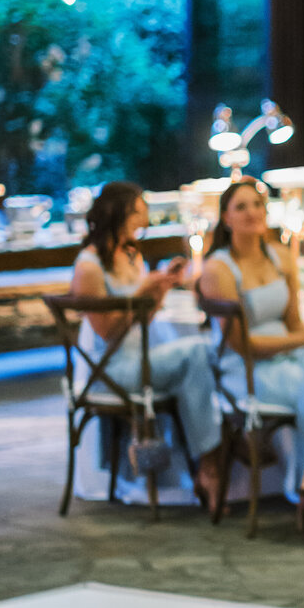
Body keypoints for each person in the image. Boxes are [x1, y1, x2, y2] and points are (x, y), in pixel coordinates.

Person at [200, 179, 304, 536]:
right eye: (242, 207)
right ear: (226, 218)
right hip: (245, 370)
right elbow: (241, 345)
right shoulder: (217, 269)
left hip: (288, 354)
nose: (252, 213)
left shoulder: (280, 256)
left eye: (258, 205)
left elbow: (294, 323)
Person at [71, 181, 223, 512]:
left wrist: (161, 288)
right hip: (110, 370)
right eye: (140, 210)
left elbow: (144, 320)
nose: (145, 218)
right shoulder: (88, 266)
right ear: (121, 212)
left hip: (140, 358)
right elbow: (108, 334)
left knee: (196, 364)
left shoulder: (130, 256)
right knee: (197, 352)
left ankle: (209, 462)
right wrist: (141, 292)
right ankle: (214, 457)